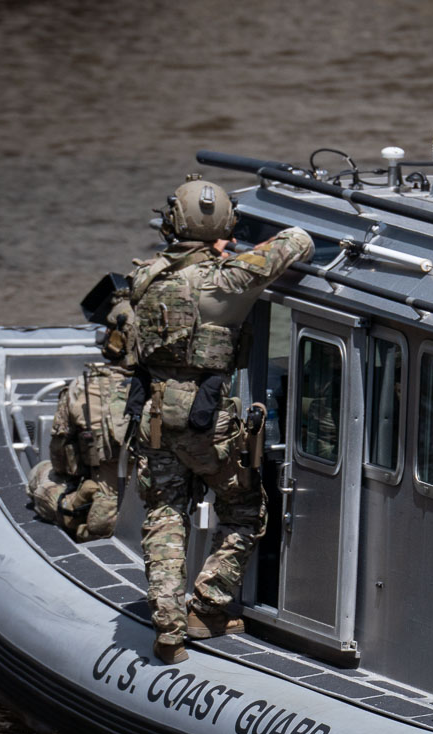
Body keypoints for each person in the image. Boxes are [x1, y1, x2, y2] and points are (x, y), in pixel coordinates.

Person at [132, 175, 313, 664]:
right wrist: (231, 245)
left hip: (153, 414)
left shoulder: (146, 277)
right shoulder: (222, 281)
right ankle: (209, 604)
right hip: (205, 420)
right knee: (243, 507)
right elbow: (296, 240)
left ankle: (167, 626)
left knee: (165, 515)